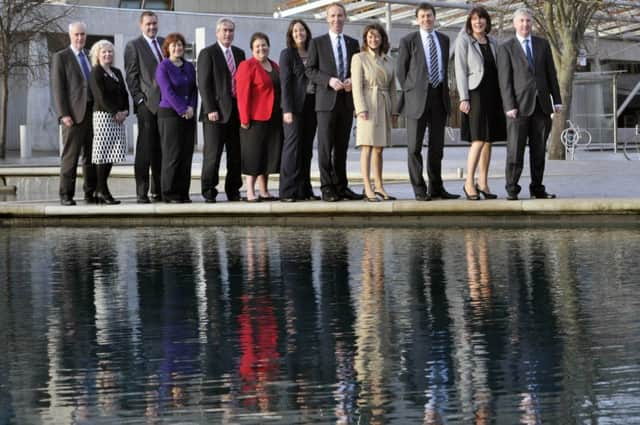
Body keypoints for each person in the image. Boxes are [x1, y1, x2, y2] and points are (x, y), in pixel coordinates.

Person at [397, 3, 460, 201]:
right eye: (422, 16)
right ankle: (419, 189)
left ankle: (436, 187)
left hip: (438, 98)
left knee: (437, 147)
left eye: (429, 16)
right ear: (417, 19)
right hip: (416, 100)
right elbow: (401, 71)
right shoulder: (408, 40)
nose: (426, 19)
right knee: (414, 148)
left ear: (434, 17)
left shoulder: (443, 39)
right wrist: (412, 89)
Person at [497, 8, 562, 200]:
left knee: (539, 151)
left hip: (541, 107)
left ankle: (537, 188)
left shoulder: (542, 45)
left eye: (528, 21)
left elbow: (551, 75)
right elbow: (505, 80)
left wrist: (557, 100)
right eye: (522, 21)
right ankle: (512, 188)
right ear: (515, 24)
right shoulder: (506, 47)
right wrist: (509, 105)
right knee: (515, 151)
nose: (525, 24)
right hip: (518, 107)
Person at [305, 2, 363, 202]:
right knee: (325, 146)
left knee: (341, 147)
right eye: (333, 16)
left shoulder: (352, 43)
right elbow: (310, 70)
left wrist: (351, 81)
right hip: (325, 102)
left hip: (346, 102)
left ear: (345, 18)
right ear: (327, 19)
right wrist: (329, 80)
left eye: (340, 15)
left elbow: (357, 71)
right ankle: (326, 186)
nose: (336, 19)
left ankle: (341, 186)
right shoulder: (317, 43)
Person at [454, 6, 506, 200]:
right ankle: (469, 183)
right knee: (478, 139)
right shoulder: (464, 40)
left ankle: (483, 182)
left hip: (493, 95)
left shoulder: (493, 42)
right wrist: (463, 97)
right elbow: (459, 70)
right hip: (475, 94)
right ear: (470, 22)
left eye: (482, 19)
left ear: (487, 22)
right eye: (475, 19)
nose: (478, 22)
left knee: (488, 140)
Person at [197, 17, 244, 203]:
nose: (228, 33)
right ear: (217, 32)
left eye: (231, 30)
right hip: (215, 113)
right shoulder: (207, 53)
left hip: (236, 112)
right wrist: (210, 108)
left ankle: (233, 190)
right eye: (224, 30)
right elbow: (204, 83)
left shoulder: (239, 53)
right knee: (212, 154)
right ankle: (209, 189)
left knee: (235, 155)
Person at [51, 21, 98, 206]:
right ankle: (66, 195)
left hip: (92, 114)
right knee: (70, 156)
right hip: (73, 116)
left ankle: (90, 193)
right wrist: (64, 114)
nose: (80, 38)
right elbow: (58, 88)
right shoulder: (61, 57)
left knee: (91, 156)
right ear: (70, 35)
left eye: (83, 34)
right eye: (77, 34)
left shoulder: (90, 56)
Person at [351, 23, 398, 202]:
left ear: (382, 39)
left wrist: (394, 110)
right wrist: (360, 108)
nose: (373, 39)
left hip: (384, 105)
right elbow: (356, 86)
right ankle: (367, 187)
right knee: (367, 147)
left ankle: (379, 186)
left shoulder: (389, 60)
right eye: (370, 36)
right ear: (365, 39)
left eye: (377, 36)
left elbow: (393, 87)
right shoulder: (359, 58)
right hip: (368, 106)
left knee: (379, 149)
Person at [235, 32, 282, 202]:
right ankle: (250, 191)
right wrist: (244, 119)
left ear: (268, 46)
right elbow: (242, 94)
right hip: (254, 119)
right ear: (252, 49)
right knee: (253, 155)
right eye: (257, 46)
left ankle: (264, 191)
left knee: (268, 155)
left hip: (274, 118)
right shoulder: (247, 66)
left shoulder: (275, 65)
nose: (261, 49)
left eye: (264, 45)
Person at [124, 10, 164, 204]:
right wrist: (139, 100)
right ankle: (142, 192)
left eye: (154, 23)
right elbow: (131, 77)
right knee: (145, 150)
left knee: (160, 150)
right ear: (141, 25)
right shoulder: (134, 46)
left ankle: (158, 190)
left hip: (166, 106)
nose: (152, 27)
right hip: (147, 106)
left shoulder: (165, 43)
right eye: (148, 24)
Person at [278, 19, 319, 202]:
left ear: (307, 32)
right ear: (291, 34)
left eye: (301, 30)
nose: (299, 33)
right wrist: (287, 109)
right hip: (293, 108)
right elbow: (285, 84)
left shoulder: (313, 52)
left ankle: (304, 189)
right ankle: (287, 191)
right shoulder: (287, 54)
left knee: (307, 149)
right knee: (292, 148)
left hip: (312, 105)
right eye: (295, 31)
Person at [155, 33, 197, 203]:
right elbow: (167, 92)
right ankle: (169, 193)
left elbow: (194, 89)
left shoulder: (188, 66)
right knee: (172, 155)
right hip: (170, 115)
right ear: (167, 48)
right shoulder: (163, 67)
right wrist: (182, 109)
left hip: (188, 114)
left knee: (186, 155)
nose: (177, 48)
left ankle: (183, 193)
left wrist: (192, 107)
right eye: (173, 45)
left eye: (180, 45)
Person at [88, 39, 129, 205]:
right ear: (97, 54)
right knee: (102, 154)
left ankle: (101, 188)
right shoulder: (96, 72)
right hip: (104, 116)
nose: (107, 54)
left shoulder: (117, 72)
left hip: (118, 117)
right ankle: (102, 190)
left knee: (112, 154)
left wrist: (125, 111)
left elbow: (124, 93)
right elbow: (100, 96)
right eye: (104, 52)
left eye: (110, 52)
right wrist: (114, 112)